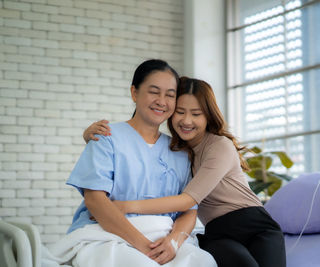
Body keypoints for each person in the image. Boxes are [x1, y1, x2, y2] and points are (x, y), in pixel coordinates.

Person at [84, 76, 287, 267]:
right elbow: (135, 154)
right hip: (217, 233)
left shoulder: (219, 145)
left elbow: (187, 201)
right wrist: (92, 138)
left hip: (255, 226)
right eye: (180, 112)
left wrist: (123, 206)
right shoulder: (176, 151)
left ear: (209, 115)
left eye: (196, 114)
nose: (187, 121)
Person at [46, 60, 216, 267]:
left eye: (170, 95)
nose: (162, 101)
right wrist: (144, 246)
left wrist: (174, 241)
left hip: (163, 237)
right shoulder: (106, 137)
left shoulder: (180, 152)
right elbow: (95, 201)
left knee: (204, 262)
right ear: (134, 93)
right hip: (109, 235)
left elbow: (189, 209)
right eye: (154, 92)